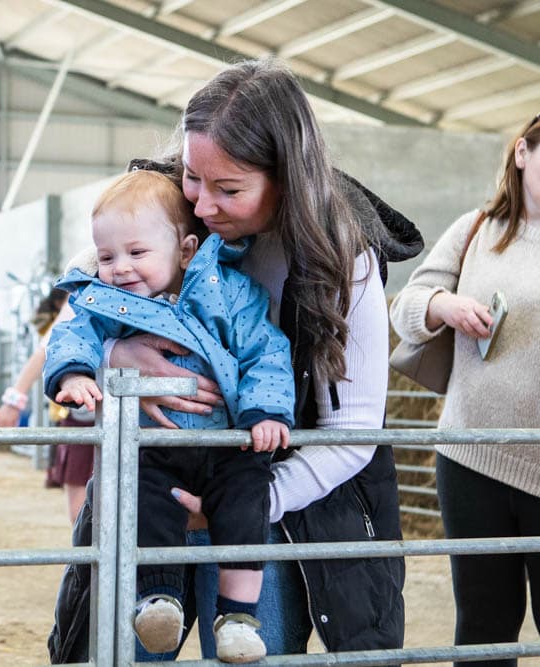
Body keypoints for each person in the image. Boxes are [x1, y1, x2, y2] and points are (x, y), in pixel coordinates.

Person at [48, 57, 423, 663]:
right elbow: (86, 304)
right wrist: (121, 355)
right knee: (127, 645)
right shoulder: (172, 202)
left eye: (229, 189)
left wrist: (239, 508)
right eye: (194, 176)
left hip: (273, 494)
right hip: (156, 478)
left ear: (286, 179)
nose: (203, 204)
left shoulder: (341, 258)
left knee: (250, 645)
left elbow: (352, 435)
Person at [45, 169, 294, 661]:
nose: (119, 268)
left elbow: (266, 350)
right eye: (107, 256)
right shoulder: (107, 303)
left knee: (248, 500)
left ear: (185, 250)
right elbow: (72, 334)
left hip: (226, 445)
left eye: (136, 253)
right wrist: (76, 372)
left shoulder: (231, 293)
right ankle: (158, 601)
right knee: (142, 499)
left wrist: (265, 413)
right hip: (153, 445)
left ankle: (238, 616)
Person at [390, 115, 540, 665]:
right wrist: (443, 306)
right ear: (522, 153)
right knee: (483, 623)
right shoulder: (476, 229)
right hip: (470, 457)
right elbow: (404, 308)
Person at [0, 288, 95, 524]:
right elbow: (45, 343)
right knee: (82, 501)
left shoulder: (76, 297)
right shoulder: (78, 296)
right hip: (79, 406)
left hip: (91, 406)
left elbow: (43, 343)